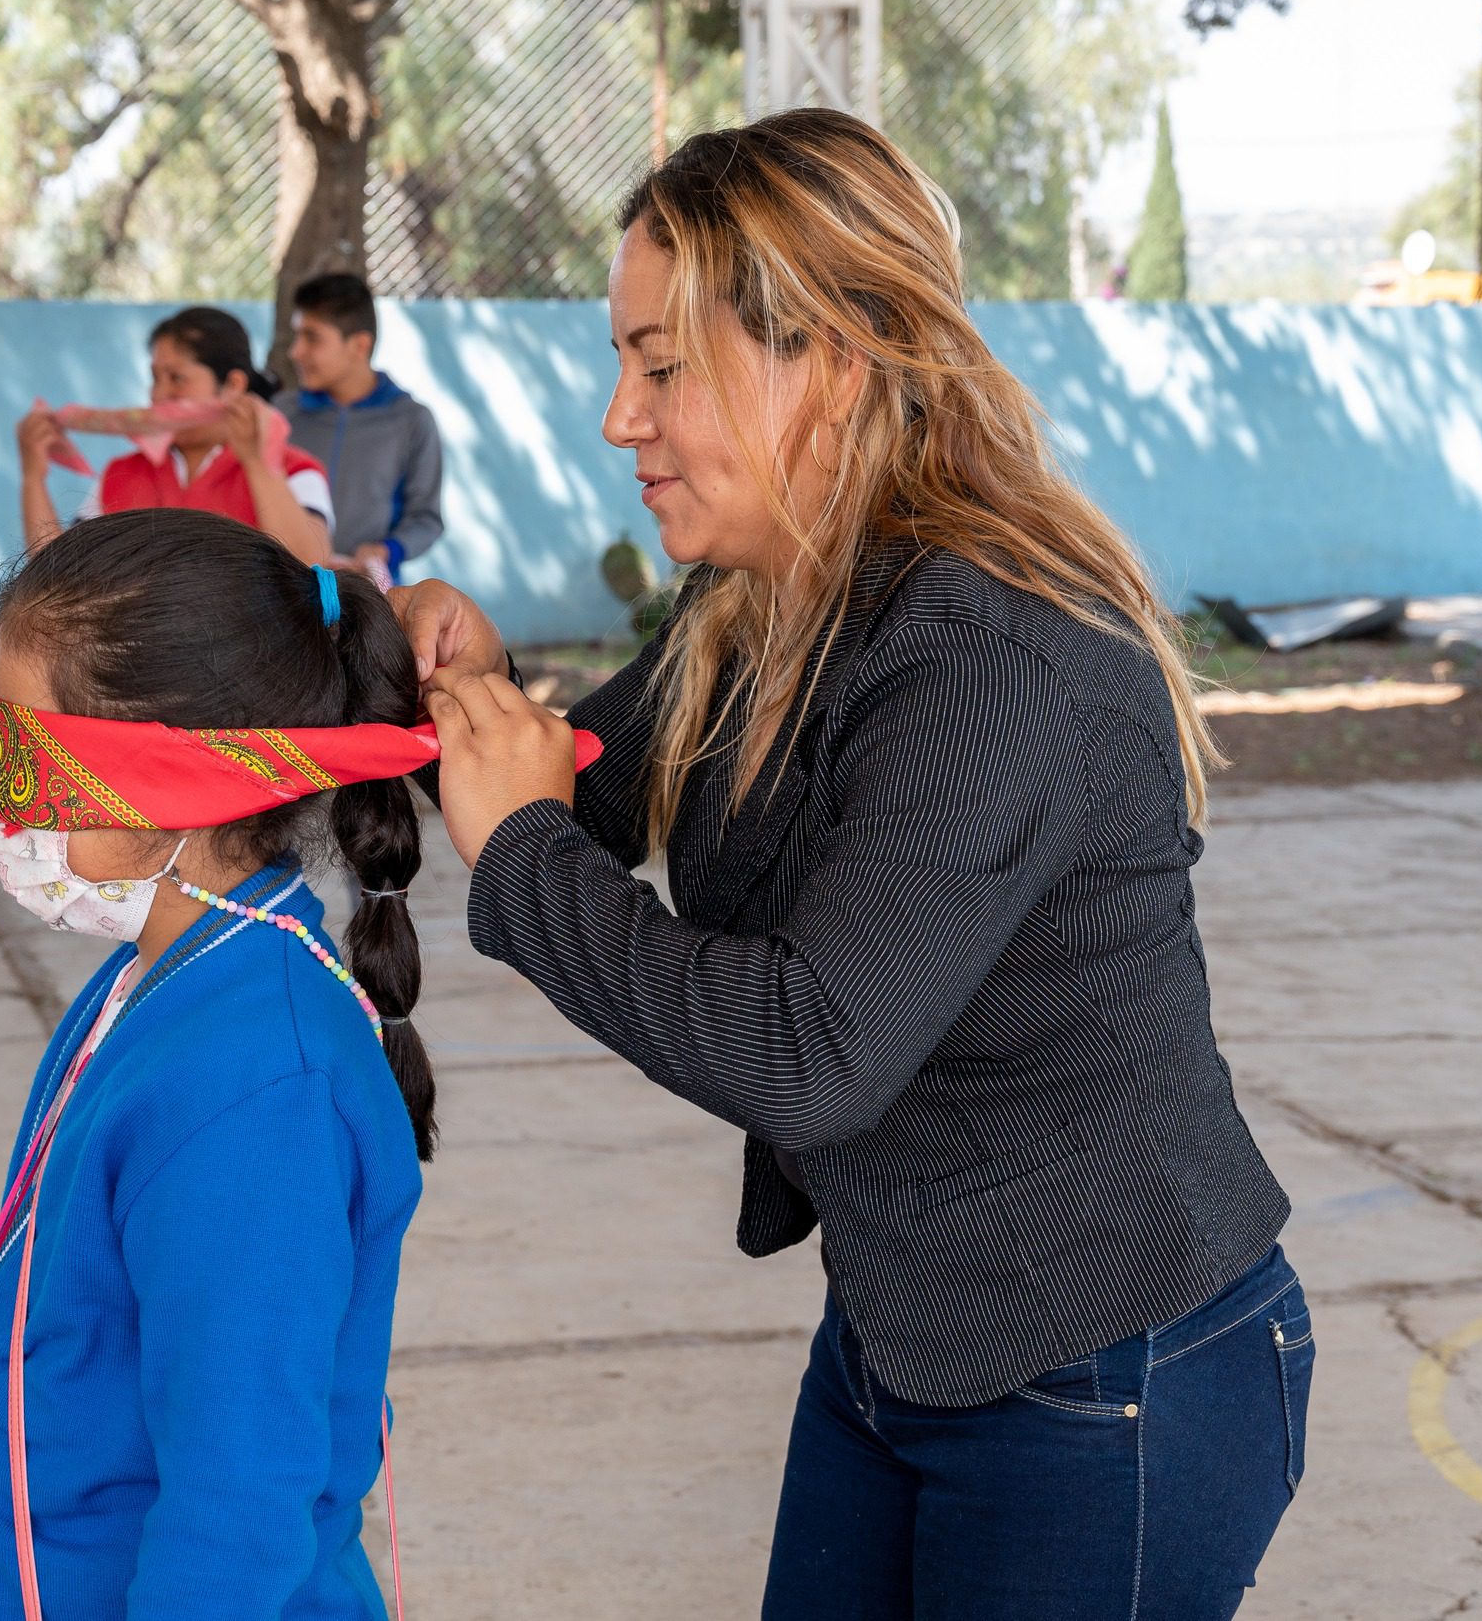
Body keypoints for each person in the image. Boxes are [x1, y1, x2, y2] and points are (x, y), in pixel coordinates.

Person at [394, 109, 1311, 1619]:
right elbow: (587, 791)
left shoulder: (998, 653)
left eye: (664, 365)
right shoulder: (764, 603)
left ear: (828, 352)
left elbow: (810, 1050)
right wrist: (469, 687)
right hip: (907, 1340)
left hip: (1108, 1370)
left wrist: (522, 850)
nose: (623, 420)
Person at [0, 509, 431, 1617]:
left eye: (23, 753)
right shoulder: (158, 978)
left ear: (175, 778)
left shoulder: (258, 1087)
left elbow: (238, 1503)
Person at [16, 306, 334, 563]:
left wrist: (257, 463)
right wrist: (34, 478)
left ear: (233, 386)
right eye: (155, 378)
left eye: (177, 378)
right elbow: (57, 579)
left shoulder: (297, 472)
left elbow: (311, 570)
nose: (158, 394)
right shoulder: (121, 475)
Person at [279, 273, 444, 582]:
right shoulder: (280, 416)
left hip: (365, 596)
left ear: (359, 345)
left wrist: (386, 550)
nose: (296, 351)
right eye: (296, 335)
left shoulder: (411, 421)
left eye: (312, 337)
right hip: (287, 588)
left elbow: (426, 518)